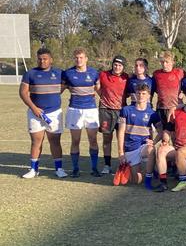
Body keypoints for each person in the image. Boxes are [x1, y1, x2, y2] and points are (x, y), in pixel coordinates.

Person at [19, 48, 67, 179]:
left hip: (54, 113)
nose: (42, 61)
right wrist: (34, 108)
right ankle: (33, 170)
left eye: (45, 59)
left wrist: (55, 95)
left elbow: (66, 85)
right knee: (36, 142)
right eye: (40, 59)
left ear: (51, 59)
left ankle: (59, 169)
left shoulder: (59, 73)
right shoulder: (30, 73)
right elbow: (23, 92)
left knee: (55, 141)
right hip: (35, 114)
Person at [62, 48, 101, 178]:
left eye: (81, 57)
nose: (79, 60)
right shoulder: (68, 73)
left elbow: (99, 91)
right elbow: (59, 90)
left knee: (93, 140)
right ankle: (75, 169)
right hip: (74, 109)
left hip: (91, 109)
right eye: (77, 57)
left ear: (86, 59)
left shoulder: (94, 73)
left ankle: (94, 168)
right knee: (75, 140)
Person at [153, 87, 186, 192]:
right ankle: (163, 182)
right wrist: (165, 141)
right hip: (177, 149)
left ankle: (185, 170)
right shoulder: (176, 113)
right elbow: (167, 130)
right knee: (161, 150)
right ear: (185, 97)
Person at [116, 83, 158, 188]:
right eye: (138, 93)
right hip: (130, 148)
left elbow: (161, 130)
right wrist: (121, 153)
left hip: (143, 146)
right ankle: (148, 169)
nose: (141, 96)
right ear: (135, 94)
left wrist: (154, 141)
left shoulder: (152, 113)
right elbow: (121, 132)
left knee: (151, 150)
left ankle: (149, 177)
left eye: (144, 94)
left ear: (149, 96)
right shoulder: (126, 110)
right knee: (136, 181)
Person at [98, 55, 129, 175]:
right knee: (107, 138)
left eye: (120, 65)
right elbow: (97, 87)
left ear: (123, 67)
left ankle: (123, 164)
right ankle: (107, 165)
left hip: (121, 111)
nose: (117, 67)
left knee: (122, 139)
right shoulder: (103, 75)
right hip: (105, 110)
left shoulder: (127, 78)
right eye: (115, 64)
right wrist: (103, 97)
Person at [152, 51, 185, 134]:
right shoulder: (156, 74)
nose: (164, 64)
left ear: (173, 62)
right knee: (163, 134)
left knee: (175, 135)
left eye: (167, 62)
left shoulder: (180, 72)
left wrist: (183, 92)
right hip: (161, 108)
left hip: (175, 108)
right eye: (162, 62)